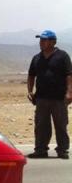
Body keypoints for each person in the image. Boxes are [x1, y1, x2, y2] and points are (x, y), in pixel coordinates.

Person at [27, 30, 72, 159]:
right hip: (41, 98)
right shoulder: (36, 58)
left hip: (59, 98)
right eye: (40, 40)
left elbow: (69, 75)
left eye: (44, 40)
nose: (41, 42)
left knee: (61, 125)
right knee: (41, 125)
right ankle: (40, 150)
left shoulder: (63, 56)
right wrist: (30, 91)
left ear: (53, 42)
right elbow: (31, 75)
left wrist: (69, 92)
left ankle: (62, 150)